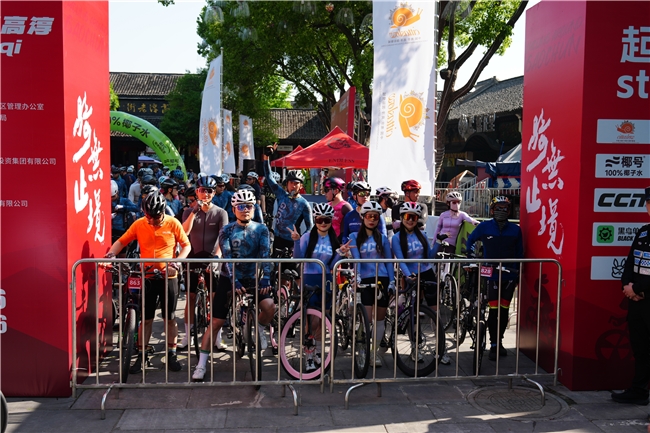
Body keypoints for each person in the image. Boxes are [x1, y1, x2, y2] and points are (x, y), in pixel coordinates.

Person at [105, 191, 191, 373]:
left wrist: (176, 262)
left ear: (163, 212)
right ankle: (142, 355)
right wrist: (111, 254)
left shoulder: (172, 223)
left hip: (168, 277)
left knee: (170, 318)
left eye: (155, 217)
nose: (151, 220)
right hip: (148, 276)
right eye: (148, 216)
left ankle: (171, 353)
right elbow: (122, 241)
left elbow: (186, 245)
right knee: (146, 319)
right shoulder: (140, 223)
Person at [192, 190, 274, 381]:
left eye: (249, 206)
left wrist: (266, 278)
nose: (245, 210)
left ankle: (258, 328)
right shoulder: (227, 230)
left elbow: (265, 255)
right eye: (241, 206)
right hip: (229, 278)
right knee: (216, 322)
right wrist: (234, 280)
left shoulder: (261, 229)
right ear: (234, 209)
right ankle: (201, 364)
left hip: (252, 277)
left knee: (270, 307)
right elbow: (228, 258)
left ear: (254, 208)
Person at [391, 202, 450, 365]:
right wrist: (408, 275)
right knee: (414, 314)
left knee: (435, 312)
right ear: (402, 217)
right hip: (411, 275)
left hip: (427, 272)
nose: (410, 220)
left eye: (414, 217)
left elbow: (429, 257)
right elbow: (401, 260)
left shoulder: (422, 235)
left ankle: (441, 349)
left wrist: (438, 242)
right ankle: (415, 348)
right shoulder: (396, 238)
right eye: (407, 216)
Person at [289, 203, 346, 371]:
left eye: (326, 220)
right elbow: (298, 258)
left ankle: (318, 352)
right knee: (311, 321)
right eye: (320, 220)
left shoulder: (333, 239)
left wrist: (341, 253)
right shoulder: (308, 236)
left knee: (323, 320)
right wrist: (296, 241)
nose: (323, 223)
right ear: (315, 220)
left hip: (326, 280)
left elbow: (332, 265)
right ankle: (308, 355)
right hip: (310, 279)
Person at [465, 196, 523, 361]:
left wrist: (518, 273)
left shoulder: (516, 230)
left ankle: (500, 342)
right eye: (498, 208)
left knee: (504, 311)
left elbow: (520, 252)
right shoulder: (484, 227)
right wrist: (471, 257)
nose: (502, 211)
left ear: (509, 211)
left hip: (509, 274)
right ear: (492, 210)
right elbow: (470, 240)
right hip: (491, 274)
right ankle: (493, 344)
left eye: (505, 208)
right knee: (493, 310)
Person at [179, 176, 229, 350]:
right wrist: (194, 211)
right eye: (202, 190)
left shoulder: (221, 213)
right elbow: (184, 232)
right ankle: (187, 336)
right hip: (193, 257)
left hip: (212, 257)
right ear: (197, 192)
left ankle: (217, 337)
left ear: (214, 193)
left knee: (214, 298)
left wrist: (217, 258)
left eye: (209, 191)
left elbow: (223, 239)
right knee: (191, 297)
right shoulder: (188, 211)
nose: (205, 194)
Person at [611, 186, 650, 406]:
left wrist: (638, 289)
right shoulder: (643, 232)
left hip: (645, 296)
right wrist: (627, 286)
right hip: (637, 303)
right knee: (640, 348)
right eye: (649, 203)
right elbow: (629, 263)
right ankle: (639, 390)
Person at [349, 201, 395, 367]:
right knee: (367, 319)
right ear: (363, 217)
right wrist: (357, 276)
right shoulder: (354, 236)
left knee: (380, 319)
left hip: (382, 279)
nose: (372, 220)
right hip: (365, 279)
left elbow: (389, 261)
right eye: (369, 216)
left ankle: (374, 353)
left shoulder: (382, 238)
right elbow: (356, 259)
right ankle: (363, 347)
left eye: (375, 217)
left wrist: (392, 281)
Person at [262, 144, 313, 257]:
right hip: (277, 239)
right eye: (291, 183)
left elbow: (310, 227)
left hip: (292, 242)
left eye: (296, 183)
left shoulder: (304, 204)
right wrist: (266, 157)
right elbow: (269, 177)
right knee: (275, 266)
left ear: (301, 186)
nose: (293, 186)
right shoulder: (281, 194)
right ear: (287, 184)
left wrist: (300, 239)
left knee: (289, 268)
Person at [110, 180, 139, 253]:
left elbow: (136, 208)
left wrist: (124, 207)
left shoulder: (124, 201)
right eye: (110, 197)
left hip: (121, 230)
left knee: (122, 253)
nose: (111, 199)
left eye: (113, 197)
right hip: (109, 231)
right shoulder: (105, 201)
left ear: (117, 192)